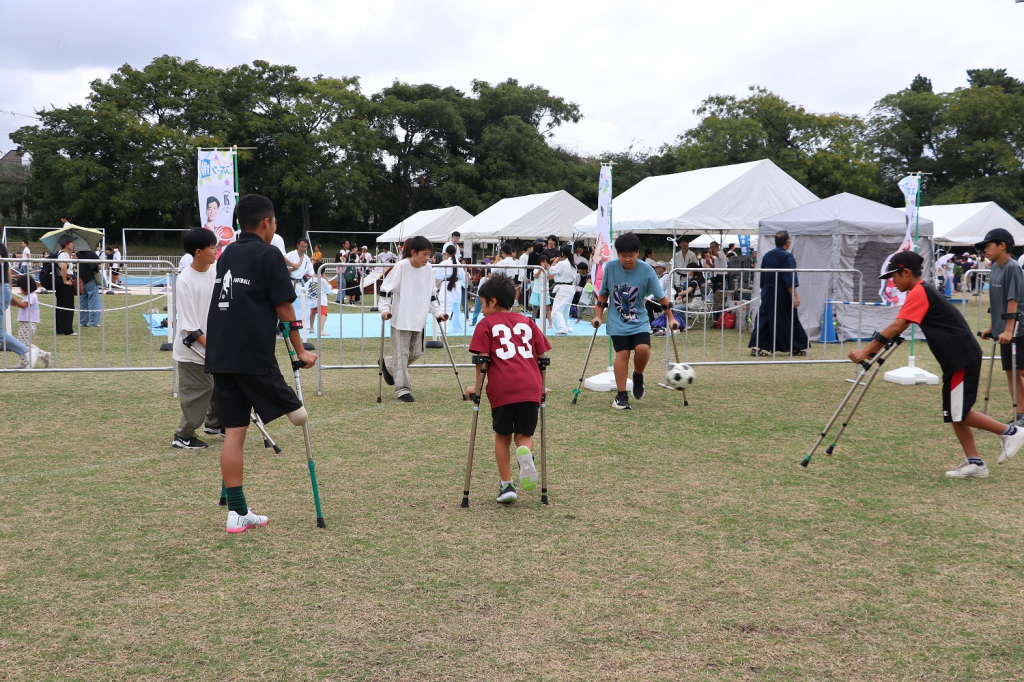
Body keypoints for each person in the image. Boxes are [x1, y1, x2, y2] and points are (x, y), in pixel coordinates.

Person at [850, 251, 1024, 478]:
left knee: (958, 411)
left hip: (961, 357)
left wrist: (865, 350)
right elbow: (898, 328)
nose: (892, 282)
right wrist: (872, 351)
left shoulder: (920, 291)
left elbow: (897, 326)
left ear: (906, 272)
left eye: (894, 276)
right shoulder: (921, 291)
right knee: (953, 412)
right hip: (955, 359)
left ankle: (1010, 432)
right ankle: (975, 462)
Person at [205, 193, 316, 533]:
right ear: (266, 222)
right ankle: (239, 512)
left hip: (222, 355)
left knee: (234, 433)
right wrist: (301, 352)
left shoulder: (226, 254)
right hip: (251, 355)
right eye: (275, 222)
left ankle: (237, 513)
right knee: (299, 414)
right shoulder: (269, 254)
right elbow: (285, 308)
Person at [466, 274, 552, 504]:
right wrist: (542, 387)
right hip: (530, 387)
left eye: (482, 303)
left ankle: (507, 486)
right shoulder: (527, 322)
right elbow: (542, 357)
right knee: (524, 435)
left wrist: (476, 388)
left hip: (502, 388)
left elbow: (482, 362)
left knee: (502, 436)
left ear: (492, 301)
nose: (481, 309)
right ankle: (525, 452)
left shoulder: (485, 324)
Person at [591, 232, 678, 410]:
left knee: (643, 349)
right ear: (618, 254)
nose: (627, 259)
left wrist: (671, 318)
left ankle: (638, 375)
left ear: (637, 253)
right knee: (622, 353)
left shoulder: (647, 271)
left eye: (631, 255)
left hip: (639, 319)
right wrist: (599, 316)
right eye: (623, 255)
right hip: (617, 320)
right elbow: (603, 294)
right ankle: (621, 396)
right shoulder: (611, 267)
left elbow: (662, 298)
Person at [378, 235, 449, 402]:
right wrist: (384, 309)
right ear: (414, 253)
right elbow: (386, 289)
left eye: (429, 254)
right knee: (401, 356)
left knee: (415, 353)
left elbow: (432, 294)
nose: (428, 258)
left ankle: (388, 363)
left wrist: (438, 312)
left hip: (419, 318)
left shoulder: (429, 268)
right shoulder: (402, 266)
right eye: (424, 254)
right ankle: (403, 389)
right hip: (401, 318)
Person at [172, 228, 220, 450]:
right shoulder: (184, 282)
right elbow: (191, 328)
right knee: (199, 392)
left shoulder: (216, 271)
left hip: (213, 344)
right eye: (212, 247)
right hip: (192, 350)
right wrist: (213, 350)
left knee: (220, 386)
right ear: (199, 252)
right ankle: (183, 435)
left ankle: (215, 424)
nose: (216, 251)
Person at [976, 228, 1024, 426]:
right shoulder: (995, 267)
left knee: (1021, 370)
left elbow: (1012, 300)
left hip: (1019, 328)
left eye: (988, 246)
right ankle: (1021, 415)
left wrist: (1008, 330)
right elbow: (998, 301)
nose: (985, 250)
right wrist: (992, 327)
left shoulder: (1012, 267)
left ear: (1002, 246)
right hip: (1004, 328)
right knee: (1011, 372)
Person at [749, 230, 808, 357]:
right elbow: (789, 278)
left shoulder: (767, 256)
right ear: (787, 242)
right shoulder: (787, 256)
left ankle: (757, 346)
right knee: (789, 319)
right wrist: (795, 296)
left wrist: (763, 290)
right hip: (782, 293)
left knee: (765, 318)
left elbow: (763, 277)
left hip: (767, 291)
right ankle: (795, 346)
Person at [9, 275, 50, 368]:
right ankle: (42, 354)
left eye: (21, 288)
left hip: (28, 323)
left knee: (22, 343)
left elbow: (23, 305)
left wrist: (13, 298)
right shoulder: (29, 296)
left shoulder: (31, 296)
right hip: (26, 323)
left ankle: (24, 362)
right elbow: (23, 306)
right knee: (24, 343)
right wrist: (15, 303)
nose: (20, 290)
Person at [549, 243, 577, 335]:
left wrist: (555, 261)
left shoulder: (562, 263)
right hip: (569, 288)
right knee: (564, 310)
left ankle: (562, 328)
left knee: (556, 310)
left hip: (564, 289)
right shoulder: (573, 264)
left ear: (562, 254)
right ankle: (567, 327)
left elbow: (551, 270)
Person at [438, 244, 465, 332]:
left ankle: (444, 328)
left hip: (447, 285)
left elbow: (436, 273)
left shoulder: (445, 263)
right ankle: (458, 328)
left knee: (445, 308)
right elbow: (461, 276)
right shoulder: (458, 263)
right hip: (456, 285)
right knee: (457, 309)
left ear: (446, 253)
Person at [54, 236, 77, 335]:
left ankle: (60, 329)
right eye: (71, 243)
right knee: (67, 306)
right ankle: (67, 330)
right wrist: (65, 280)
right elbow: (64, 267)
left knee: (61, 305)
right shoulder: (64, 255)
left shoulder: (61, 254)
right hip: (65, 283)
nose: (73, 244)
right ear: (66, 244)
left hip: (61, 283)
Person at [76, 248, 101, 327]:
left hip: (80, 280)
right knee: (94, 301)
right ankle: (93, 322)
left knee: (82, 301)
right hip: (90, 279)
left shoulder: (78, 255)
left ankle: (82, 321)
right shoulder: (91, 254)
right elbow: (99, 266)